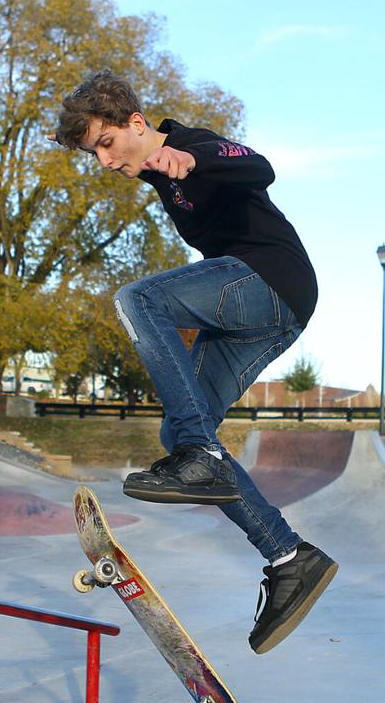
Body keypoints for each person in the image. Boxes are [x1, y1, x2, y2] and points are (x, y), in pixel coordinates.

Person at [52, 70, 337, 654]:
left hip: (271, 281)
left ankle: (203, 456)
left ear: (137, 124)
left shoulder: (195, 145)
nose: (104, 161)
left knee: (139, 298)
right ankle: (289, 557)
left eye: (106, 143)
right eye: (92, 153)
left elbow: (260, 168)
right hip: (263, 311)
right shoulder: (159, 181)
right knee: (184, 434)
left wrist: (192, 160)